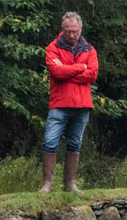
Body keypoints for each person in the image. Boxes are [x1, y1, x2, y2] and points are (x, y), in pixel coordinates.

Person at [39, 11, 97, 194]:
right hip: (59, 104)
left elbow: (92, 75)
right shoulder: (52, 48)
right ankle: (47, 184)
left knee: (75, 144)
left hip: (82, 106)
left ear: (81, 29)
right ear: (62, 29)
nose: (72, 35)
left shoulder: (90, 49)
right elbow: (57, 72)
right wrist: (80, 68)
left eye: (75, 31)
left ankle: (70, 184)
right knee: (49, 142)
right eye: (68, 31)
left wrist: (68, 71)